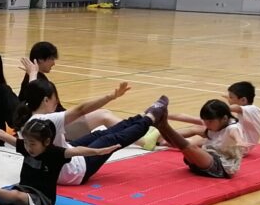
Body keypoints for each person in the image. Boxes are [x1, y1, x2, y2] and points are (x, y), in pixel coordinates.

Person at [0, 118, 121, 205]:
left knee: (15, 195)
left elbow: (78, 150)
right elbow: (2, 135)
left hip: (42, 200)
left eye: (33, 144)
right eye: (26, 142)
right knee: (15, 194)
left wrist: (99, 152)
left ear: (47, 142)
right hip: (23, 189)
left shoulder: (55, 154)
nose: (28, 147)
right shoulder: (26, 147)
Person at [15, 79, 168, 185]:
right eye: (55, 99)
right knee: (110, 139)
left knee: (98, 134)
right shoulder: (48, 120)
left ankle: (141, 117)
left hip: (58, 161)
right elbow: (81, 109)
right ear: (45, 100)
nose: (57, 103)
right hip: (72, 173)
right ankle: (150, 118)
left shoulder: (25, 119)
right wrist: (111, 96)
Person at [17, 41, 121, 138]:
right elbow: (35, 105)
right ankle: (131, 133)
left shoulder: (37, 79)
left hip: (57, 122)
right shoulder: (34, 82)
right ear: (40, 59)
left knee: (104, 113)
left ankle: (130, 132)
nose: (53, 63)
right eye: (51, 59)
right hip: (53, 127)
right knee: (103, 115)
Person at [143, 80, 260, 151]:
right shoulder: (246, 115)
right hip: (239, 143)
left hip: (238, 146)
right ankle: (160, 134)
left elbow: (233, 109)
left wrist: (217, 107)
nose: (229, 100)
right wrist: (164, 114)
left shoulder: (251, 110)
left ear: (243, 100)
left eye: (231, 98)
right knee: (199, 126)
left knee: (197, 136)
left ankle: (161, 140)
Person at [152, 98, 251, 178]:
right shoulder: (215, 123)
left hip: (221, 168)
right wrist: (166, 116)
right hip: (199, 164)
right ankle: (161, 132)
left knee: (190, 146)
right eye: (205, 121)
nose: (206, 124)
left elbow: (234, 133)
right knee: (188, 139)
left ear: (224, 118)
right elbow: (183, 118)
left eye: (210, 122)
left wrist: (240, 141)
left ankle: (164, 126)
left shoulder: (233, 128)